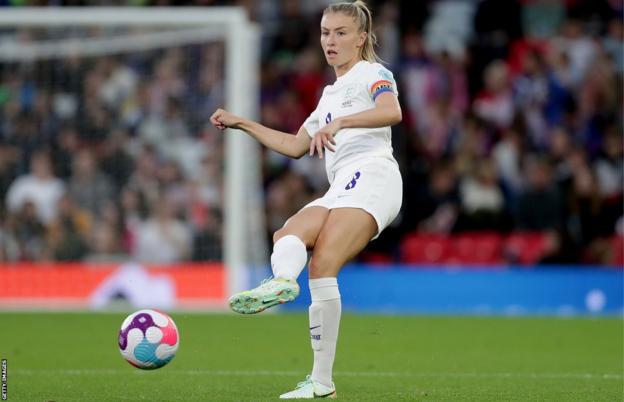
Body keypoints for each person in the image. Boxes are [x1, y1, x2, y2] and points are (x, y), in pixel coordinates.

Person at [210, 1, 402, 399]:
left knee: (324, 263)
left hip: (375, 176)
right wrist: (242, 122)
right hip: (343, 185)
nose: (330, 41)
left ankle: (320, 381)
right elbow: (295, 145)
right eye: (325, 32)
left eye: (341, 33)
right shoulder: (328, 95)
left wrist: (344, 121)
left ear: (361, 38)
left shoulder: (374, 73)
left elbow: (392, 111)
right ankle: (281, 284)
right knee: (288, 233)